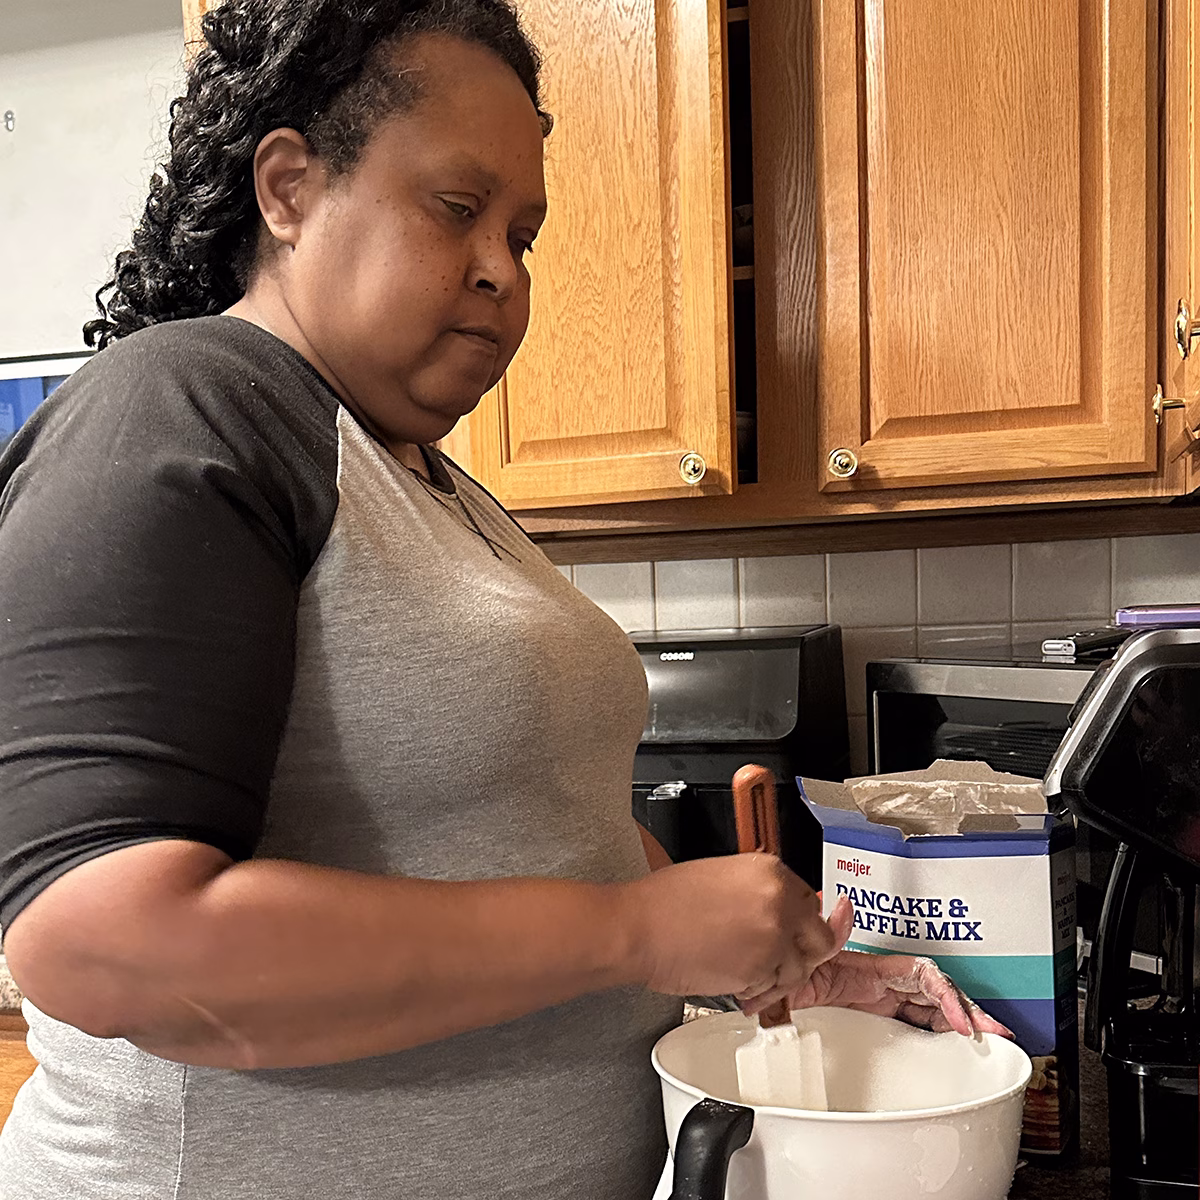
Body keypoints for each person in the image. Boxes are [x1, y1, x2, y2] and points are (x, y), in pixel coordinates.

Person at [0, 2, 1007, 1196]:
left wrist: (753, 960)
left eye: (523, 234)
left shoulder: (423, 481)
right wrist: (636, 933)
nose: (502, 272)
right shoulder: (182, 406)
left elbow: (531, 818)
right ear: (288, 187)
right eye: (456, 208)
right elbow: (104, 944)